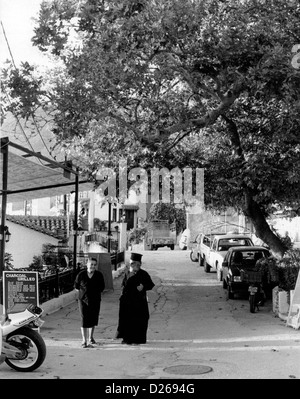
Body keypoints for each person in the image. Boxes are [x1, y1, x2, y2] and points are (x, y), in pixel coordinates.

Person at [115, 252, 155, 345]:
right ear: (131, 264)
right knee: (127, 320)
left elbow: (151, 285)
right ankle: (127, 339)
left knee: (140, 320)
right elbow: (123, 285)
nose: (135, 266)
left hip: (139, 302)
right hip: (127, 302)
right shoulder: (127, 273)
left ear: (140, 264)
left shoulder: (143, 274)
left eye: (137, 264)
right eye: (133, 264)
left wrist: (143, 287)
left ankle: (138, 339)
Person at [74, 257, 105, 348]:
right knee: (84, 319)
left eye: (95, 265)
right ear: (87, 264)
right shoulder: (81, 274)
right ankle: (84, 340)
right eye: (91, 264)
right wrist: (83, 293)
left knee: (93, 319)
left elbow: (102, 287)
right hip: (83, 300)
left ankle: (91, 338)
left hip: (95, 300)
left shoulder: (99, 275)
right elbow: (76, 286)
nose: (93, 266)